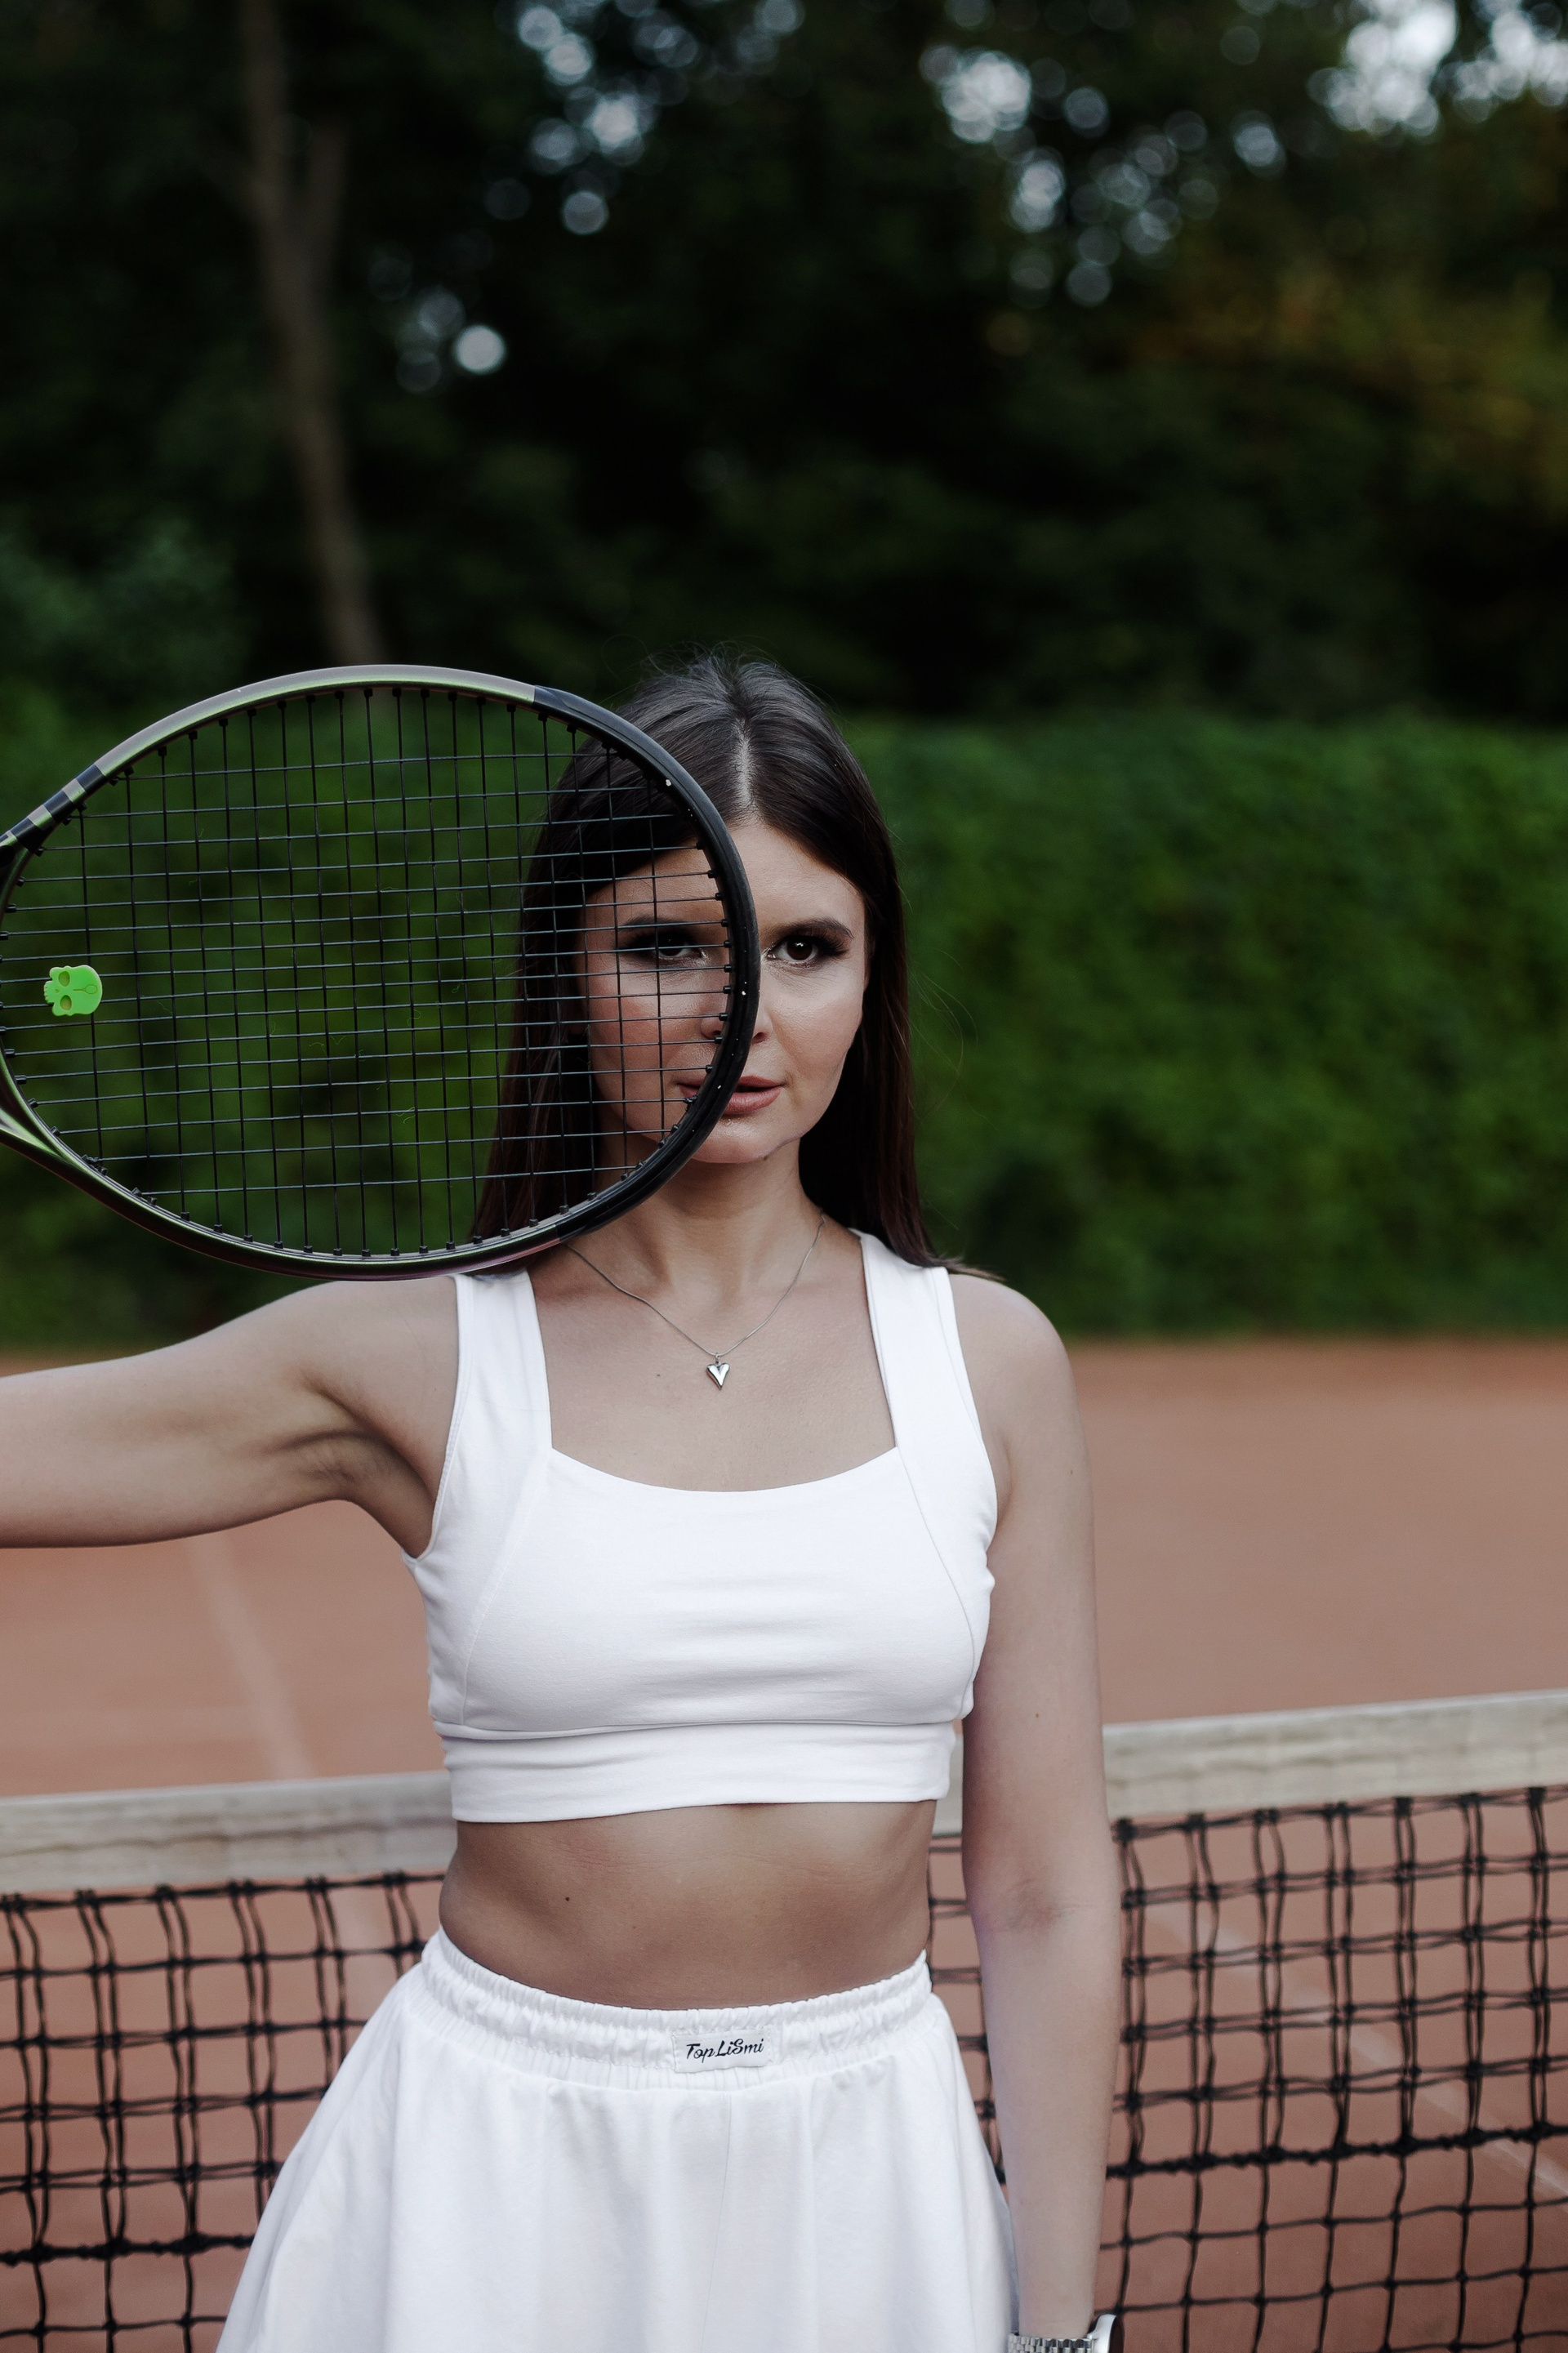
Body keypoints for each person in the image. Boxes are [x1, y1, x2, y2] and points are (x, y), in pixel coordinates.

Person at [0, 657, 1121, 2353]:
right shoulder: (412, 1358)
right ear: (566, 972)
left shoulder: (991, 1359)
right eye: (667, 943)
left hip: (869, 2183)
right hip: (495, 2186)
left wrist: (1061, 2328)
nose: (740, 1013)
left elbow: (1038, 1887)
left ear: (871, 975)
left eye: (804, 948)